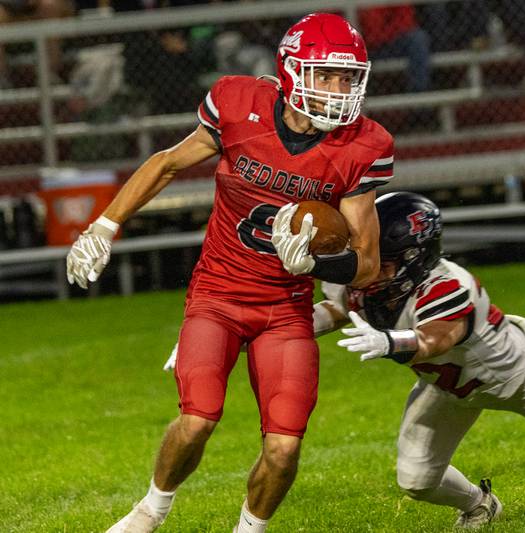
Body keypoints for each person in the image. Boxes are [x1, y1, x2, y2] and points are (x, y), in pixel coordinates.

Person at [65, 12, 393, 533]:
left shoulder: (363, 145)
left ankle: (250, 529)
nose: (339, 90)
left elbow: (368, 263)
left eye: (348, 77)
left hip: (285, 309)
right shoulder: (240, 104)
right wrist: (104, 225)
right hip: (217, 294)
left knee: (284, 449)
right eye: (325, 75)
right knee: (197, 421)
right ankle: (151, 510)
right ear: (290, 71)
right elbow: (168, 162)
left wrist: (315, 262)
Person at [313, 191, 525, 527]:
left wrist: (388, 341)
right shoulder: (371, 279)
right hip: (448, 386)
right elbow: (338, 307)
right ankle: (481, 505)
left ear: (414, 257)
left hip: (514, 373)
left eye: (381, 260)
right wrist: (282, 327)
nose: (369, 270)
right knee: (416, 478)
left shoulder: (448, 285)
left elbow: (435, 339)